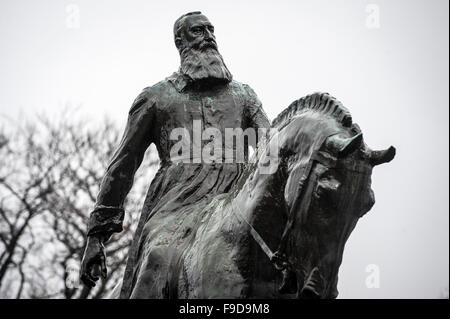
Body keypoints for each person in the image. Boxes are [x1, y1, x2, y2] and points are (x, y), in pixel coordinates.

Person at [80, 11, 270, 298]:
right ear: (180, 41)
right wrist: (97, 236)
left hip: (237, 201)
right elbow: (122, 165)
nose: (208, 36)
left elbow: (271, 148)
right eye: (198, 31)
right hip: (177, 206)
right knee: (160, 256)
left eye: (210, 29)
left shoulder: (244, 96)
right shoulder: (156, 97)